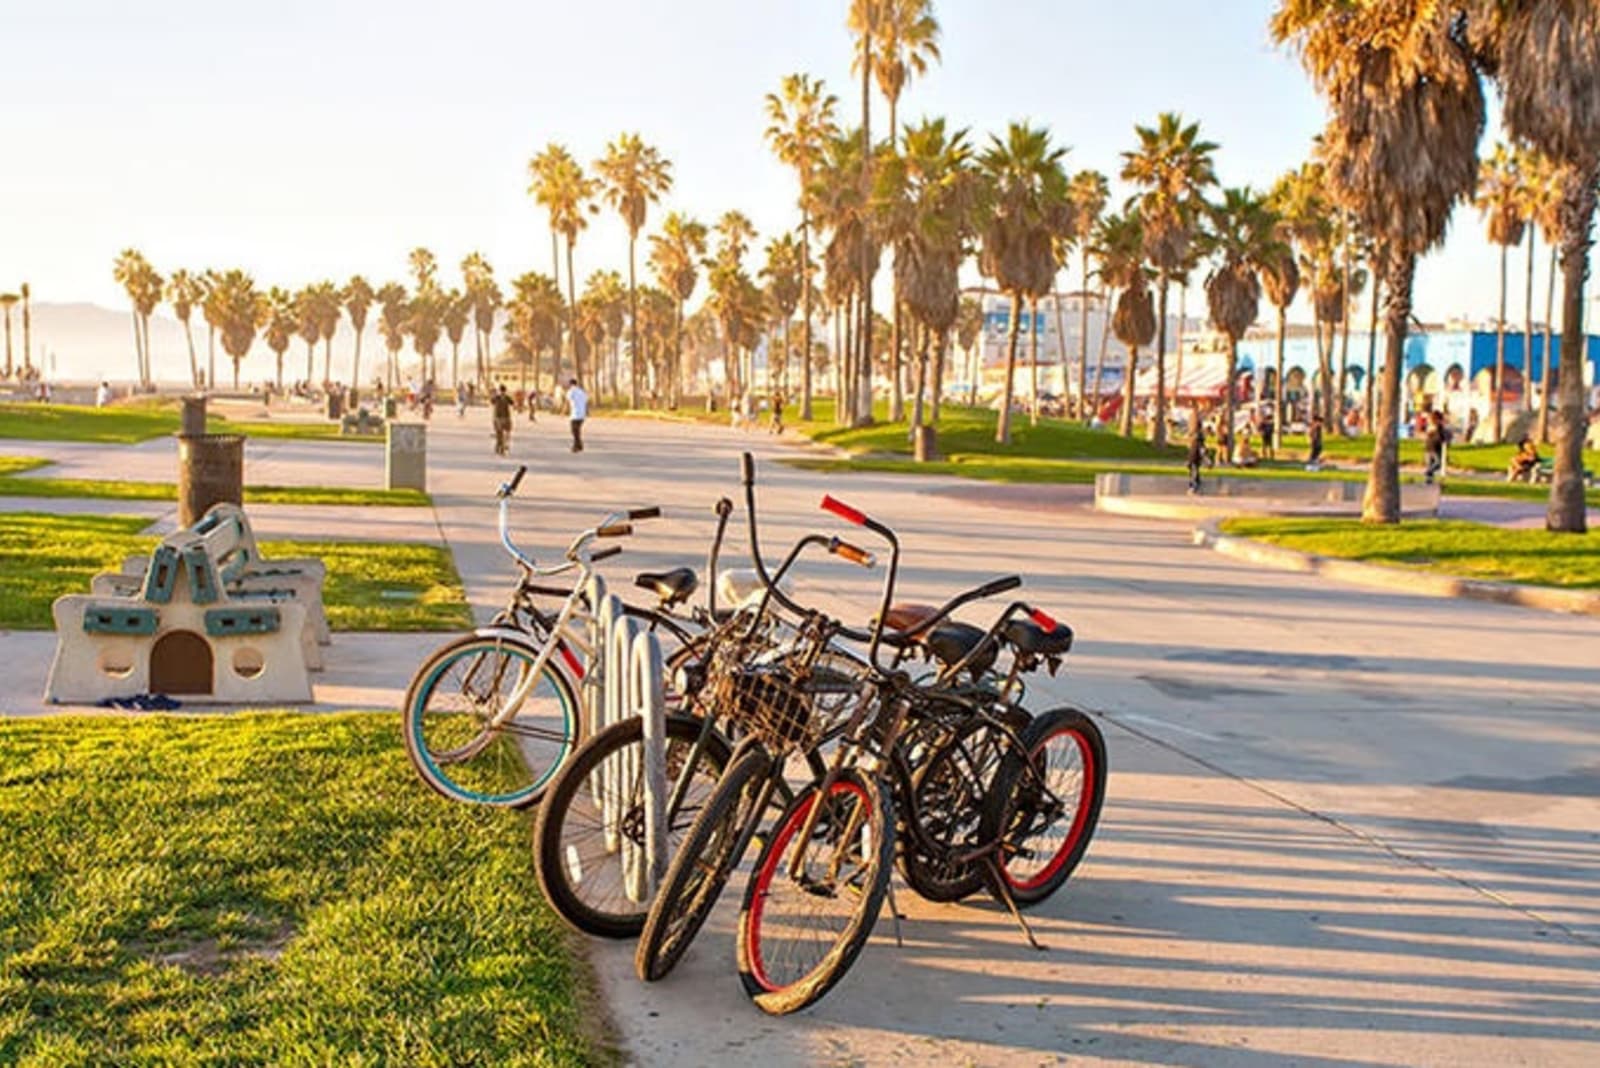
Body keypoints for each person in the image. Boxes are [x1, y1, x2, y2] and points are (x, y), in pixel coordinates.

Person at [1423, 410, 1451, 485]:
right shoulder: (1436, 426)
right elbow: (1439, 437)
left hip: (1431, 448)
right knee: (1436, 463)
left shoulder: (1434, 426)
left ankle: (1428, 476)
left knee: (1434, 463)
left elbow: (1438, 437)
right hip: (1432, 448)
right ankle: (1428, 474)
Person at [490, 383, 514, 455]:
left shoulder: (497, 397)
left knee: (499, 433)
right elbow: (512, 403)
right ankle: (501, 446)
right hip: (505, 417)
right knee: (505, 433)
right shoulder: (506, 397)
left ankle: (499, 446)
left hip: (498, 418)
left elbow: (492, 401)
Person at [565, 377, 588, 453]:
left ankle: (576, 446)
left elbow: (567, 401)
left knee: (574, 431)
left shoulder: (571, 391)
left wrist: (564, 411)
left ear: (570, 384)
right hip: (582, 414)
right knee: (577, 431)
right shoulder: (582, 391)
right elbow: (586, 401)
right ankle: (579, 445)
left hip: (575, 414)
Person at [1187, 422, 1206, 494]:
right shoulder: (1198, 441)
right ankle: (1193, 487)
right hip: (1194, 459)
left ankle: (1194, 487)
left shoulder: (1194, 440)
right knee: (1194, 473)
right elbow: (1202, 451)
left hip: (1193, 458)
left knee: (1194, 473)